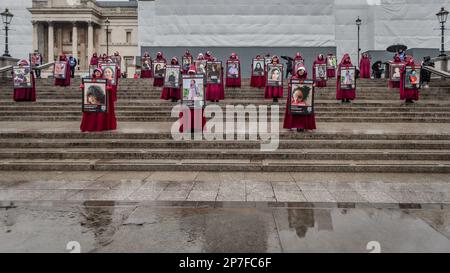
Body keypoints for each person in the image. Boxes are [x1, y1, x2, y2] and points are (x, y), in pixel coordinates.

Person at [283, 66, 316, 132]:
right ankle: (296, 126)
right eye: (300, 70)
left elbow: (309, 90)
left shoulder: (307, 79)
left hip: (303, 101)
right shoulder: (293, 78)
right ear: (297, 71)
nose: (301, 72)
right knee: (295, 112)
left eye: (302, 70)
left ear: (304, 72)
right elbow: (291, 90)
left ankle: (303, 126)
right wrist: (290, 85)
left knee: (304, 112)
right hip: (295, 101)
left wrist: (312, 86)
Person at [179, 64, 206, 133]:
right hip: (188, 102)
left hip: (197, 103)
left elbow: (201, 91)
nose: (191, 74)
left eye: (193, 73)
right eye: (190, 73)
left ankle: (196, 127)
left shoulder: (199, 83)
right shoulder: (185, 82)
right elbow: (184, 92)